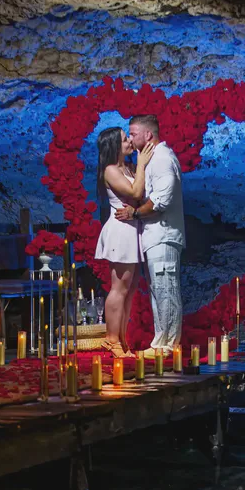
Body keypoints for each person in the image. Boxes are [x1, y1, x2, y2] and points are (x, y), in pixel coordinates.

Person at [116, 115, 186, 358]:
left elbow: (161, 200)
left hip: (163, 235)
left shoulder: (162, 159)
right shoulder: (152, 159)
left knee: (166, 288)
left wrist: (135, 213)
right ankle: (161, 341)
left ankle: (167, 345)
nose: (131, 138)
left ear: (148, 135)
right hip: (155, 235)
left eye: (133, 133)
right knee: (159, 289)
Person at [94, 127, 155, 358]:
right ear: (114, 147)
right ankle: (111, 339)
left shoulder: (127, 167)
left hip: (132, 230)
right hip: (121, 232)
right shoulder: (110, 170)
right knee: (119, 288)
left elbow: (141, 195)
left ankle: (121, 339)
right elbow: (135, 190)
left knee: (128, 291)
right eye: (124, 139)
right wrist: (141, 163)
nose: (129, 141)